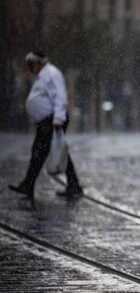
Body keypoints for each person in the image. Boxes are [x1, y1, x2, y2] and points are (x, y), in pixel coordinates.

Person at [8, 51, 83, 202]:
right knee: (52, 151)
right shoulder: (42, 76)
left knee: (40, 151)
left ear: (40, 62)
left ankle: (28, 184)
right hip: (47, 121)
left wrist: (58, 119)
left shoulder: (51, 74)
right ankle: (73, 185)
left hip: (52, 120)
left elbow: (60, 97)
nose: (29, 67)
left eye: (31, 64)